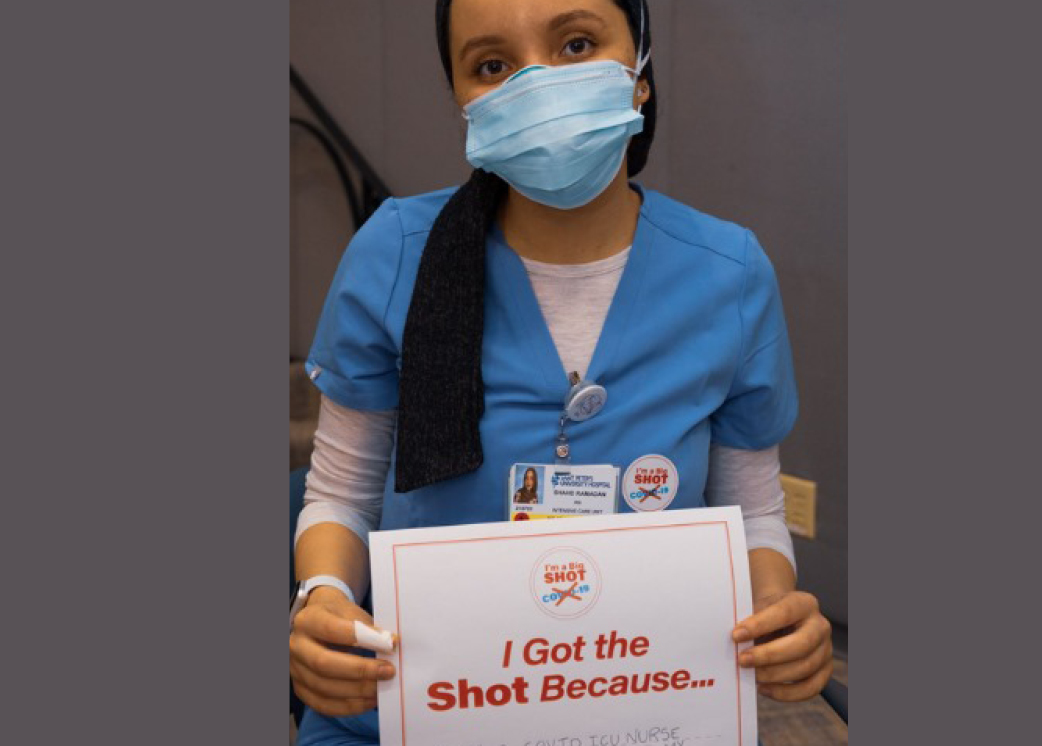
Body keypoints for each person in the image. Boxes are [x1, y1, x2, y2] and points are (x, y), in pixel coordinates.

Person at [289, 1, 834, 743]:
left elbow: (754, 512)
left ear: (639, 70)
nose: (538, 84)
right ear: (462, 101)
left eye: (577, 44)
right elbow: (342, 495)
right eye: (492, 65)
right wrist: (321, 598)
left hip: (644, 707)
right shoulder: (397, 257)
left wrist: (779, 615)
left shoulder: (728, 275)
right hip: (408, 710)